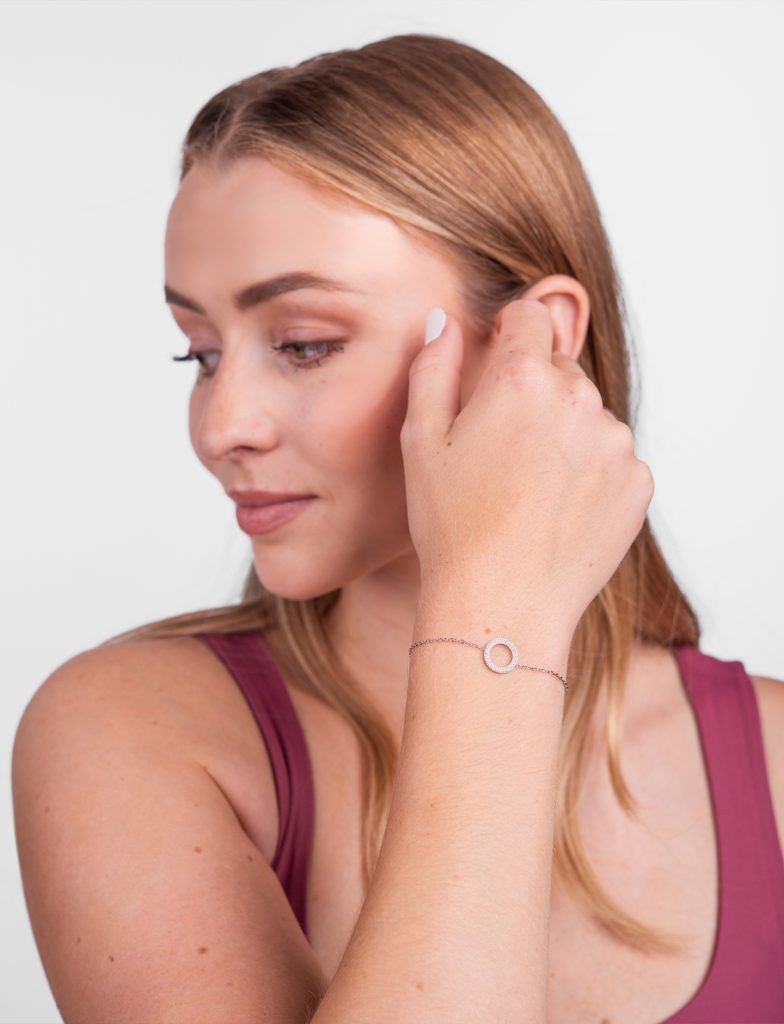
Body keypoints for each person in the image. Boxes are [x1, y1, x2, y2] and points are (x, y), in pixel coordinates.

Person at [11, 32, 784, 1024]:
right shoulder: (130, 735)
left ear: (535, 343)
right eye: (197, 353)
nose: (219, 427)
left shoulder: (770, 760)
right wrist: (496, 618)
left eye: (303, 344)